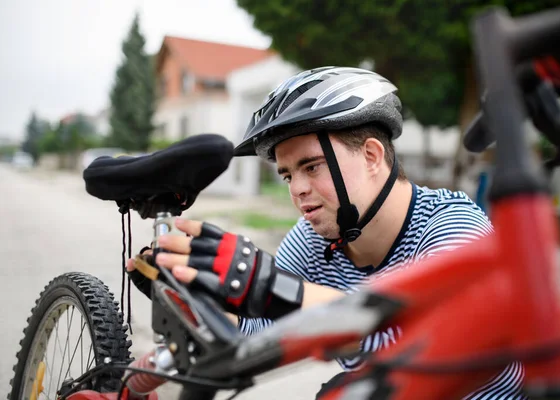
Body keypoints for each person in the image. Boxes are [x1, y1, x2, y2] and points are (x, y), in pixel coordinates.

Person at [127, 66, 525, 399]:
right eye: (287, 174)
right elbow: (257, 333)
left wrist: (279, 292)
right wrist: (200, 300)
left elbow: (430, 349)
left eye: (311, 167)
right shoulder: (312, 238)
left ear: (371, 156)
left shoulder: (452, 227)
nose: (296, 189)